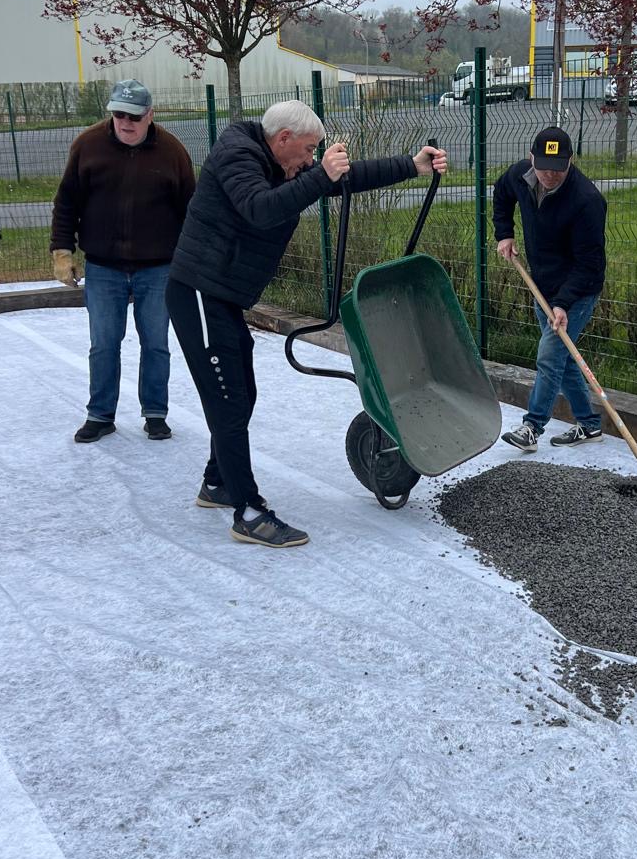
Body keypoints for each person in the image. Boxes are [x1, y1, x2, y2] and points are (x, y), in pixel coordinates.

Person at [167, 99, 447, 549]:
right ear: (282, 140)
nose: (311, 159)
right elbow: (260, 208)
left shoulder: (281, 165)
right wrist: (321, 175)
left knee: (242, 394)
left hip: (223, 296)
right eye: (308, 149)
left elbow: (341, 180)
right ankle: (248, 511)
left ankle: (218, 482)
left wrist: (410, 166)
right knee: (228, 401)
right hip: (200, 292)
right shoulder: (237, 156)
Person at [50, 80, 196, 444]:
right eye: (118, 114)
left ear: (150, 115)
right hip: (103, 267)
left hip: (159, 267)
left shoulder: (172, 153)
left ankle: (155, 413)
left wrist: (192, 261)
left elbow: (191, 211)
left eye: (133, 116)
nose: (125, 123)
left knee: (156, 343)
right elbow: (66, 202)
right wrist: (62, 251)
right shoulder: (88, 146)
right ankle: (100, 415)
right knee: (103, 343)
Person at [493, 125, 607, 452]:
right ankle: (588, 425)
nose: (549, 175)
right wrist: (505, 233)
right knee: (565, 358)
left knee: (550, 355)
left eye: (558, 169)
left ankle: (532, 427)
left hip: (577, 291)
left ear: (570, 162)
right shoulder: (521, 176)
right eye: (543, 166)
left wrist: (563, 303)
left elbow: (590, 265)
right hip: (541, 284)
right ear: (531, 158)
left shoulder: (586, 201)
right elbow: (501, 194)